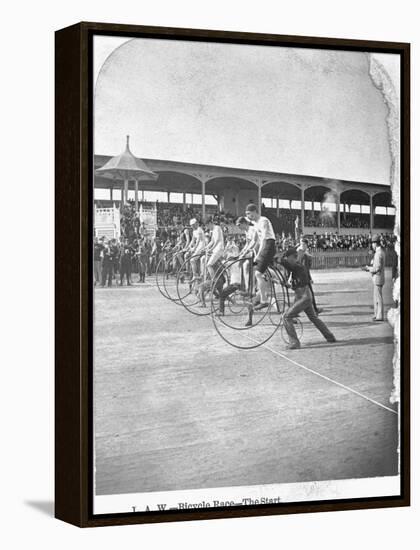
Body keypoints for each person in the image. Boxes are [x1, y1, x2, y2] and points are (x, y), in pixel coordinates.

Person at [280, 248, 336, 349]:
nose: (287, 260)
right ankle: (330, 336)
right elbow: (297, 285)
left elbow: (286, 264)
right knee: (314, 318)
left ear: (293, 257)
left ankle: (294, 343)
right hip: (305, 297)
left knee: (286, 317)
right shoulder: (298, 267)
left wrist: (278, 259)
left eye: (288, 258)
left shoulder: (297, 266)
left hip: (304, 298)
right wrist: (287, 285)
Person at [245, 204, 276, 310]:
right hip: (265, 246)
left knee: (258, 273)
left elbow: (263, 240)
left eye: (249, 213)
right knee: (256, 270)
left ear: (255, 211)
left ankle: (264, 300)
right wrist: (247, 250)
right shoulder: (255, 223)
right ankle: (261, 289)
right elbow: (254, 240)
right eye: (247, 214)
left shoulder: (263, 221)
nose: (248, 216)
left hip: (269, 245)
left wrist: (258, 255)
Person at [362, 235, 386, 321]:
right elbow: (376, 266)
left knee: (378, 298)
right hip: (378, 277)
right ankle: (377, 314)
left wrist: (368, 269)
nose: (372, 245)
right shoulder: (380, 252)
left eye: (373, 243)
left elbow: (377, 268)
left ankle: (379, 316)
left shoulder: (378, 253)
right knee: (376, 297)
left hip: (378, 278)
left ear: (376, 243)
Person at [297, 237, 321, 315]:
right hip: (302, 278)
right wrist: (308, 278)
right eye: (302, 244)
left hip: (301, 277)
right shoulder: (302, 254)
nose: (303, 246)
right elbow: (304, 268)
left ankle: (314, 310)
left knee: (300, 296)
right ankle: (314, 311)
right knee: (308, 295)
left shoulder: (302, 253)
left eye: (304, 244)